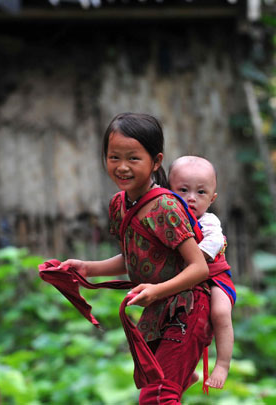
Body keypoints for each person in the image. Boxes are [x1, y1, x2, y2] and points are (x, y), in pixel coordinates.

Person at [60, 112, 212, 404]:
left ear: (156, 162)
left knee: (158, 396)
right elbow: (135, 258)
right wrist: (86, 268)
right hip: (160, 310)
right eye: (114, 157)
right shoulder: (119, 204)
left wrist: (156, 290)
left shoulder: (165, 207)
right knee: (156, 391)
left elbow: (199, 268)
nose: (122, 167)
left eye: (133, 158)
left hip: (188, 307)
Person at [169, 156, 235, 390]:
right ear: (169, 191)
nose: (191, 198)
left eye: (200, 193)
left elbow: (213, 244)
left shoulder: (209, 222)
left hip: (215, 279)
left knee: (219, 313)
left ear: (212, 199)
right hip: (186, 280)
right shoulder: (170, 220)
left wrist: (194, 259)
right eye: (183, 190)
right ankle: (186, 372)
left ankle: (223, 364)